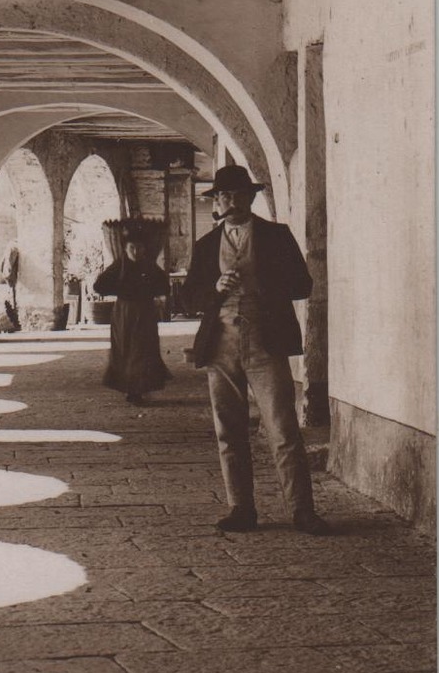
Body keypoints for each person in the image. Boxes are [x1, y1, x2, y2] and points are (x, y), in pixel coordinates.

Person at [180, 164, 331, 535]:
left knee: (282, 427)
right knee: (229, 430)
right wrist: (215, 288)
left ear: (250, 198)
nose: (230, 202)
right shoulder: (204, 246)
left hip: (267, 342)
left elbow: (303, 285)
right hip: (222, 345)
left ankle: (302, 511)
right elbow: (186, 298)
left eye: (237, 194)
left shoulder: (277, 237)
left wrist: (264, 283)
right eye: (223, 196)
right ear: (216, 202)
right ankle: (241, 509)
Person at [93, 232, 170, 405]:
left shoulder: (150, 267)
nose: (135, 251)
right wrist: (120, 289)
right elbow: (99, 286)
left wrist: (149, 290)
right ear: (125, 249)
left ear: (145, 249)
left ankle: (140, 388)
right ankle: (130, 387)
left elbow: (164, 287)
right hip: (124, 313)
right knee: (127, 349)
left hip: (145, 313)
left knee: (144, 349)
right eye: (132, 248)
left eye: (139, 247)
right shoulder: (119, 266)